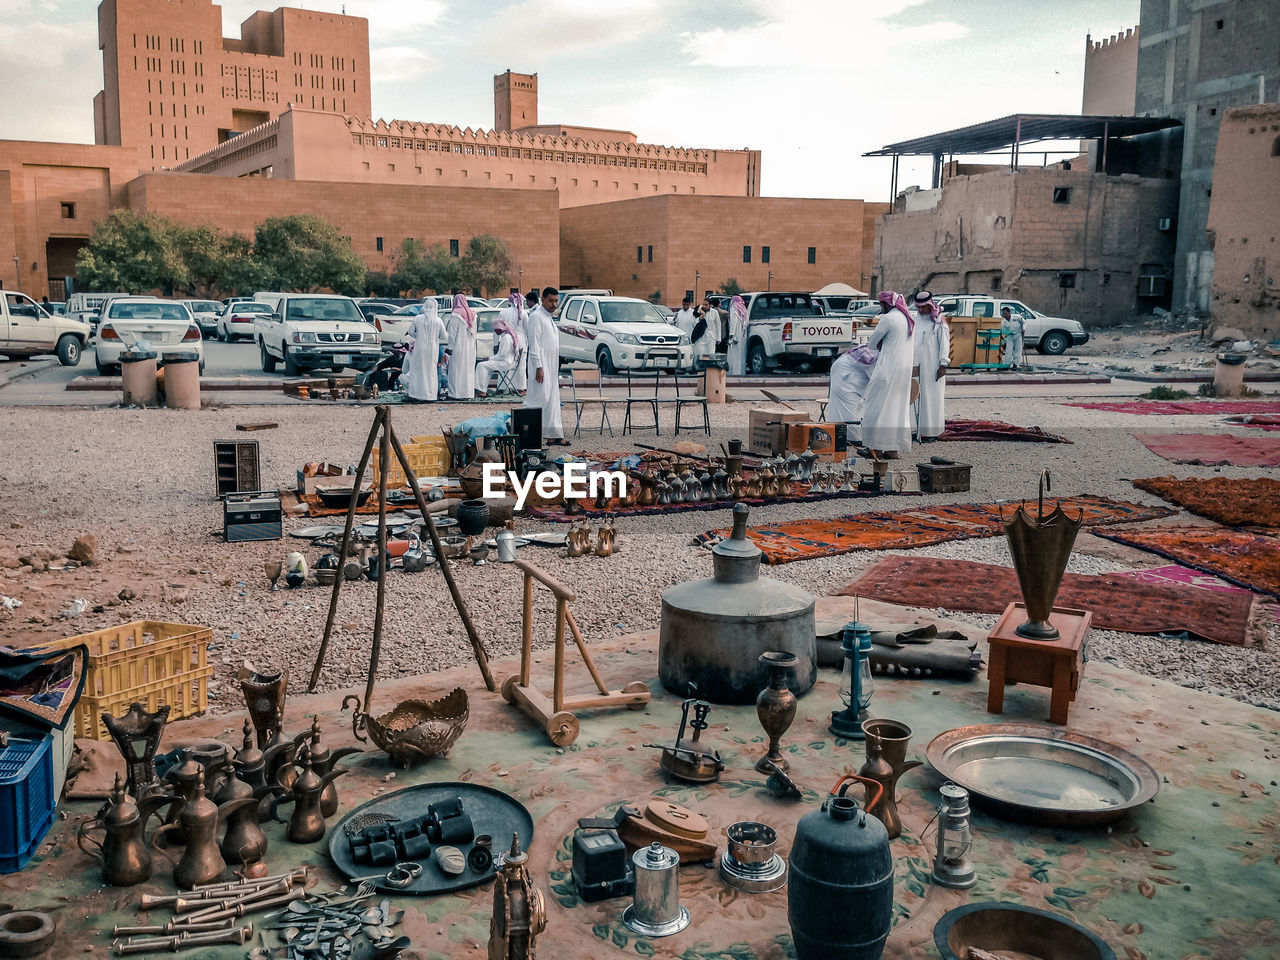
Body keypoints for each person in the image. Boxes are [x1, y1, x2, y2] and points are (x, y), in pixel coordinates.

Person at [860, 291, 915, 457]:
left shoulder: (888, 318)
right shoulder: (908, 318)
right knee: (896, 409)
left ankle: (875, 448)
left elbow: (872, 344)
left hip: (887, 370)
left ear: (886, 304)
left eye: (880, 304)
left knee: (876, 407)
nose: (880, 308)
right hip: (904, 372)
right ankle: (892, 450)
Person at [523, 286, 568, 445]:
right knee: (537, 399)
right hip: (540, 366)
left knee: (551, 399)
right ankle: (522, 429)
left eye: (556, 301)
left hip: (551, 366)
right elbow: (534, 345)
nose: (554, 304)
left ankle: (553, 435)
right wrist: (538, 367)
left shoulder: (548, 317)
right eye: (550, 301)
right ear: (543, 300)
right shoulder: (536, 317)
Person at [912, 290, 951, 442]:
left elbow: (945, 343)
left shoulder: (939, 321)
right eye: (919, 307)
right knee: (915, 396)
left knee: (931, 398)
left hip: (933, 367)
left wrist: (943, 364)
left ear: (930, 306)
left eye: (923, 307)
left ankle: (931, 432)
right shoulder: (916, 320)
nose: (921, 310)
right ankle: (916, 430)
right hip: (916, 365)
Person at [825, 343, 878, 444]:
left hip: (845, 370)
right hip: (844, 373)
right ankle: (849, 437)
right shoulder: (875, 356)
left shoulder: (875, 352)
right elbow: (877, 380)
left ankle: (844, 435)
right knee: (847, 405)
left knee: (852, 406)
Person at [400, 299, 447, 402]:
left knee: (418, 371)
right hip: (432, 350)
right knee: (430, 372)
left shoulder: (418, 318)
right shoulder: (438, 320)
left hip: (420, 349)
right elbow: (444, 336)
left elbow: (411, 332)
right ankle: (430, 395)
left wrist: (419, 336)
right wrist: (435, 336)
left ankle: (416, 394)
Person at [476, 315, 522, 396]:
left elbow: (502, 356)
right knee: (487, 367)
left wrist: (489, 359)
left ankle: (482, 391)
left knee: (481, 365)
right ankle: (483, 389)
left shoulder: (506, 338)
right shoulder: (506, 336)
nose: (495, 331)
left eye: (495, 329)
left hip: (506, 363)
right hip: (508, 361)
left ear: (499, 328)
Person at [445, 292, 477, 399]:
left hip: (458, 347)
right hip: (470, 347)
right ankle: (468, 393)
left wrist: (450, 347)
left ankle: (455, 394)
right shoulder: (473, 314)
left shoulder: (456, 314)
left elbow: (452, 333)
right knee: (468, 370)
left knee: (456, 370)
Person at [498, 292, 528, 393]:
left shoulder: (503, 312)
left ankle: (503, 388)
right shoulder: (523, 313)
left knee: (504, 363)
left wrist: (495, 343)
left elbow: (497, 329)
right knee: (521, 366)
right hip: (520, 341)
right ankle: (521, 388)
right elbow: (527, 330)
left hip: (506, 340)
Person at [693, 296, 721, 368]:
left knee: (711, 355)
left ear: (710, 305)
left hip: (711, 337)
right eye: (703, 304)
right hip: (701, 337)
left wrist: (718, 338)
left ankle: (710, 372)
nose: (704, 306)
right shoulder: (699, 311)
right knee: (699, 355)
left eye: (706, 305)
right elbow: (694, 324)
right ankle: (699, 370)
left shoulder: (715, 312)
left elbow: (718, 325)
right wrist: (700, 317)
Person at [727, 294, 749, 375]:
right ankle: (741, 371)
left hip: (735, 333)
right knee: (741, 353)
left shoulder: (734, 308)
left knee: (734, 353)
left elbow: (733, 321)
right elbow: (747, 322)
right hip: (742, 334)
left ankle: (733, 372)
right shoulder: (743, 308)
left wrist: (731, 334)